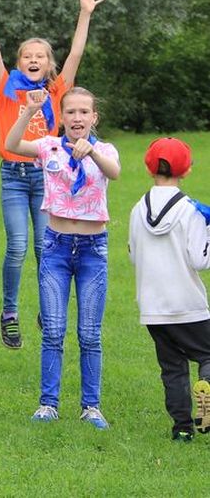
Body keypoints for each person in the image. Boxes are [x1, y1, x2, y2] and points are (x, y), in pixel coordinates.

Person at [0, 0, 103, 349]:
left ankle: (48, 308)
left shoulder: (56, 92)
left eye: (40, 56)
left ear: (48, 64)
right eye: (27, 55)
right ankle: (9, 313)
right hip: (13, 176)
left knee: (47, 248)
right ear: (19, 63)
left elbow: (76, 52)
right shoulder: (6, 88)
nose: (33, 59)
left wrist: (85, 14)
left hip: (47, 176)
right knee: (16, 247)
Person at [4, 86, 120, 429]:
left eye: (84, 112)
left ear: (93, 117)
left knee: (90, 333)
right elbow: (11, 146)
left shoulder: (106, 149)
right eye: (71, 111)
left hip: (92, 249)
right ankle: (48, 403)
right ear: (62, 115)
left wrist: (93, 153)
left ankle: (91, 406)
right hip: (55, 247)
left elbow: (114, 172)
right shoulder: (48, 147)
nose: (77, 118)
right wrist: (28, 111)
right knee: (53, 330)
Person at [128, 137, 210, 442]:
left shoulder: (138, 209)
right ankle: (208, 387)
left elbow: (134, 255)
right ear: (186, 171)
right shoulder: (191, 211)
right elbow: (200, 259)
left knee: (172, 368)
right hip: (188, 303)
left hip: (153, 307)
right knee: (207, 355)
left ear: (150, 168)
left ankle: (182, 429)